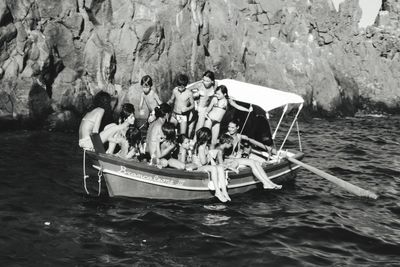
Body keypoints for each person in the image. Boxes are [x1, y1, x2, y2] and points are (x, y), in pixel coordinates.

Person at [224, 119, 282, 189]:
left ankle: (269, 182)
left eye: (232, 127)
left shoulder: (239, 136)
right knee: (252, 162)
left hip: (237, 158)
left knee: (256, 162)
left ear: (237, 128)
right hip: (229, 160)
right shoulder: (226, 137)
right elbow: (223, 154)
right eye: (229, 127)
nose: (230, 129)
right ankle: (265, 183)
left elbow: (243, 142)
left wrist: (243, 150)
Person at [191, 127, 230, 202]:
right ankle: (217, 192)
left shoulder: (206, 146)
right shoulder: (201, 147)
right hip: (198, 167)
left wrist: (219, 165)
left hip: (203, 167)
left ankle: (224, 191)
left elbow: (210, 161)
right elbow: (203, 162)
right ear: (208, 137)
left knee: (219, 168)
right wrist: (210, 157)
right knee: (213, 168)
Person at [187, 70, 217, 136]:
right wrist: (194, 96)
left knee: (200, 126)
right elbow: (187, 89)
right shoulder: (199, 84)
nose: (205, 82)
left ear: (212, 81)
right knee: (190, 124)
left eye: (207, 81)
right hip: (195, 105)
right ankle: (188, 139)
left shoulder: (214, 86)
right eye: (204, 80)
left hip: (204, 108)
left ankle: (195, 141)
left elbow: (216, 84)